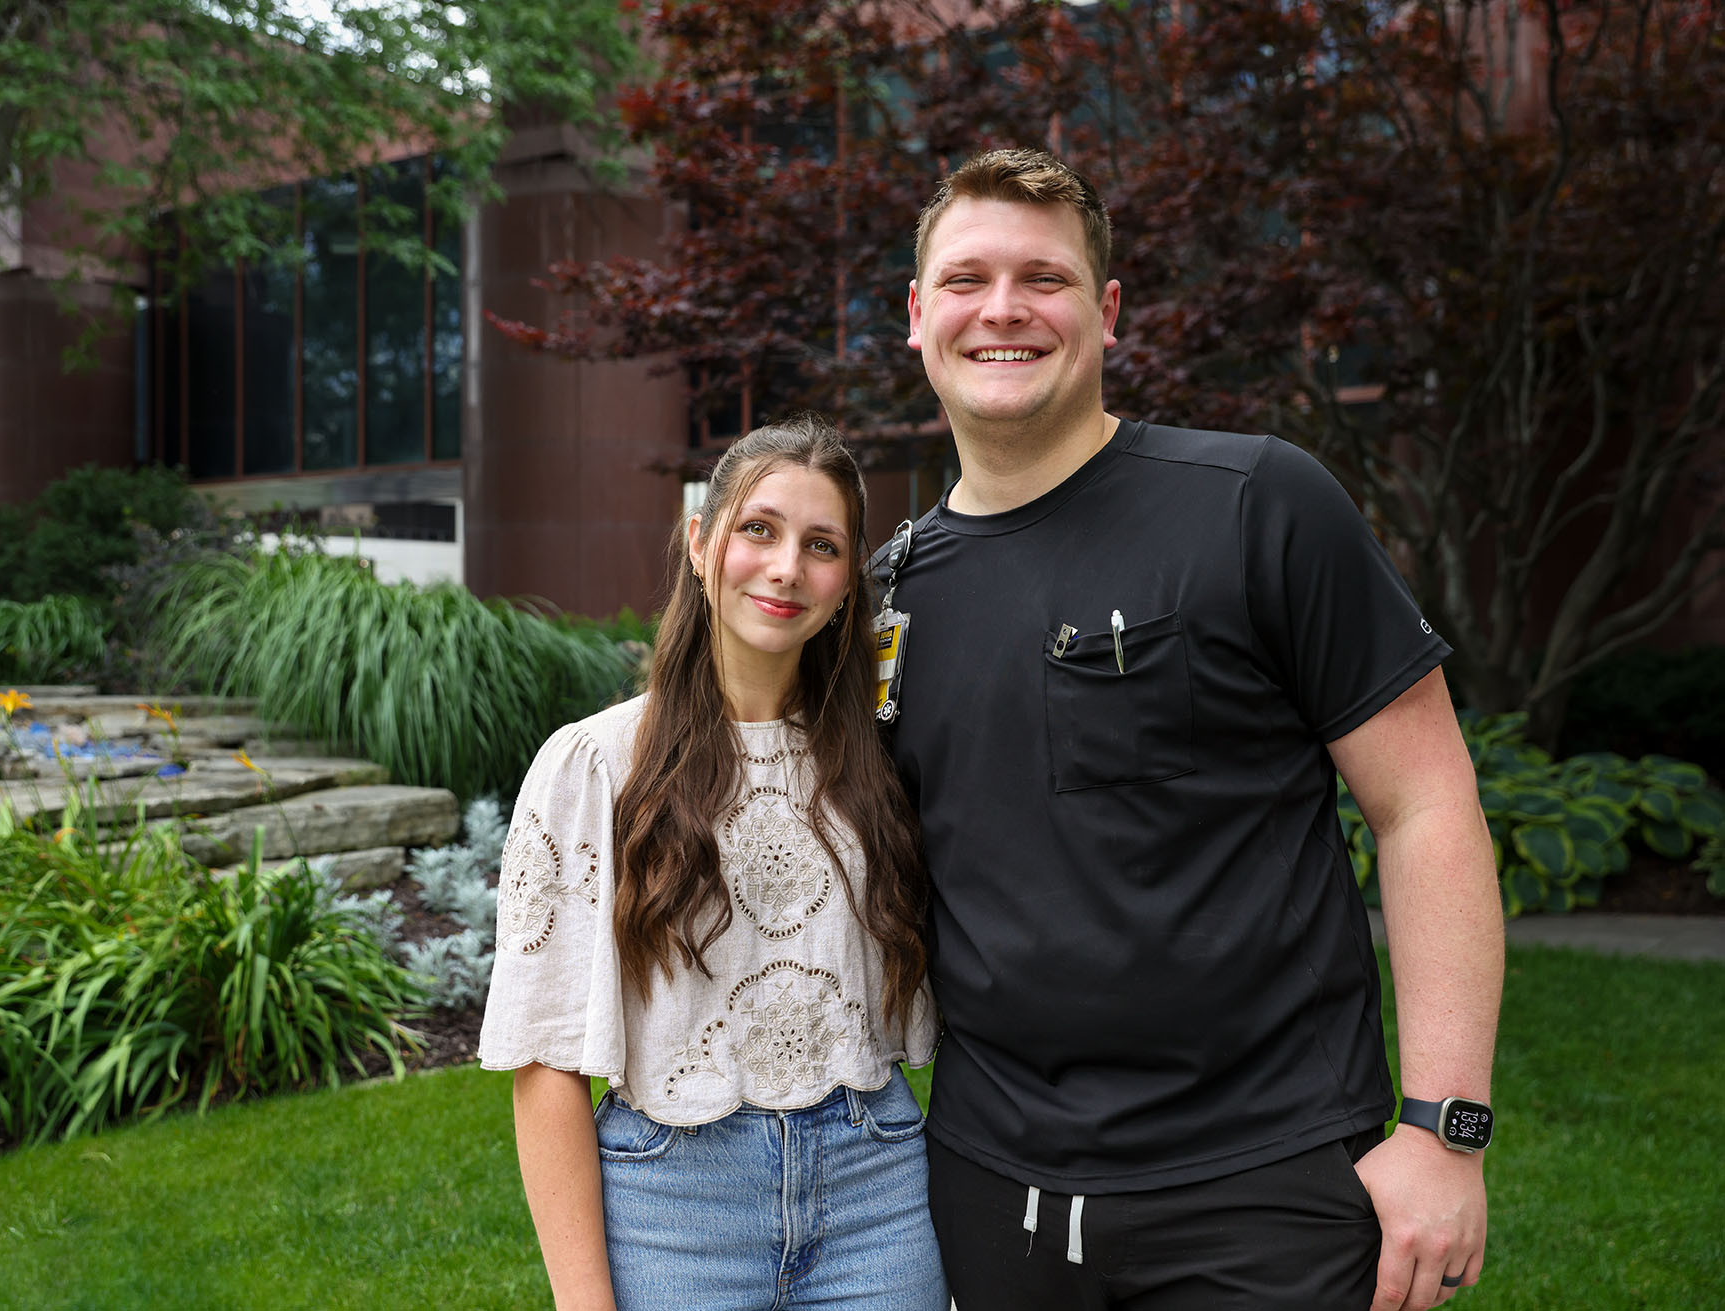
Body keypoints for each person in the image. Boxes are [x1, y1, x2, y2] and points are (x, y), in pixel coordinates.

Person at [878, 148, 1505, 1311]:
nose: (1002, 310)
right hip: (986, 1186)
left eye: (1044, 279)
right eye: (964, 280)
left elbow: (1424, 807)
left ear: (1107, 312)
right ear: (917, 317)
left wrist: (1445, 1129)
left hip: (1259, 1183)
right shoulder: (888, 597)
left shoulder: (1256, 503)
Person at [479, 415, 948, 1311]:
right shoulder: (595, 763)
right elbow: (544, 1061)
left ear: (849, 582)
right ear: (700, 542)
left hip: (876, 1190)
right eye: (759, 529)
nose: (785, 568)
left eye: (822, 545)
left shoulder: (881, 763)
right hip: (671, 1203)